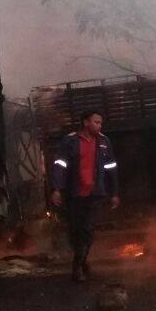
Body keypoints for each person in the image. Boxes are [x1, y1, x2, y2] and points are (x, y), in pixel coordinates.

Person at [50, 111, 120, 282]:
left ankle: (77, 266)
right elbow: (60, 165)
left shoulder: (104, 142)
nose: (99, 126)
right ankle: (83, 261)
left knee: (88, 230)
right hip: (74, 195)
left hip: (95, 194)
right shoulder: (70, 141)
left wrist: (114, 193)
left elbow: (111, 168)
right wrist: (57, 189)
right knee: (75, 230)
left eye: (100, 123)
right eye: (96, 122)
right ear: (85, 123)